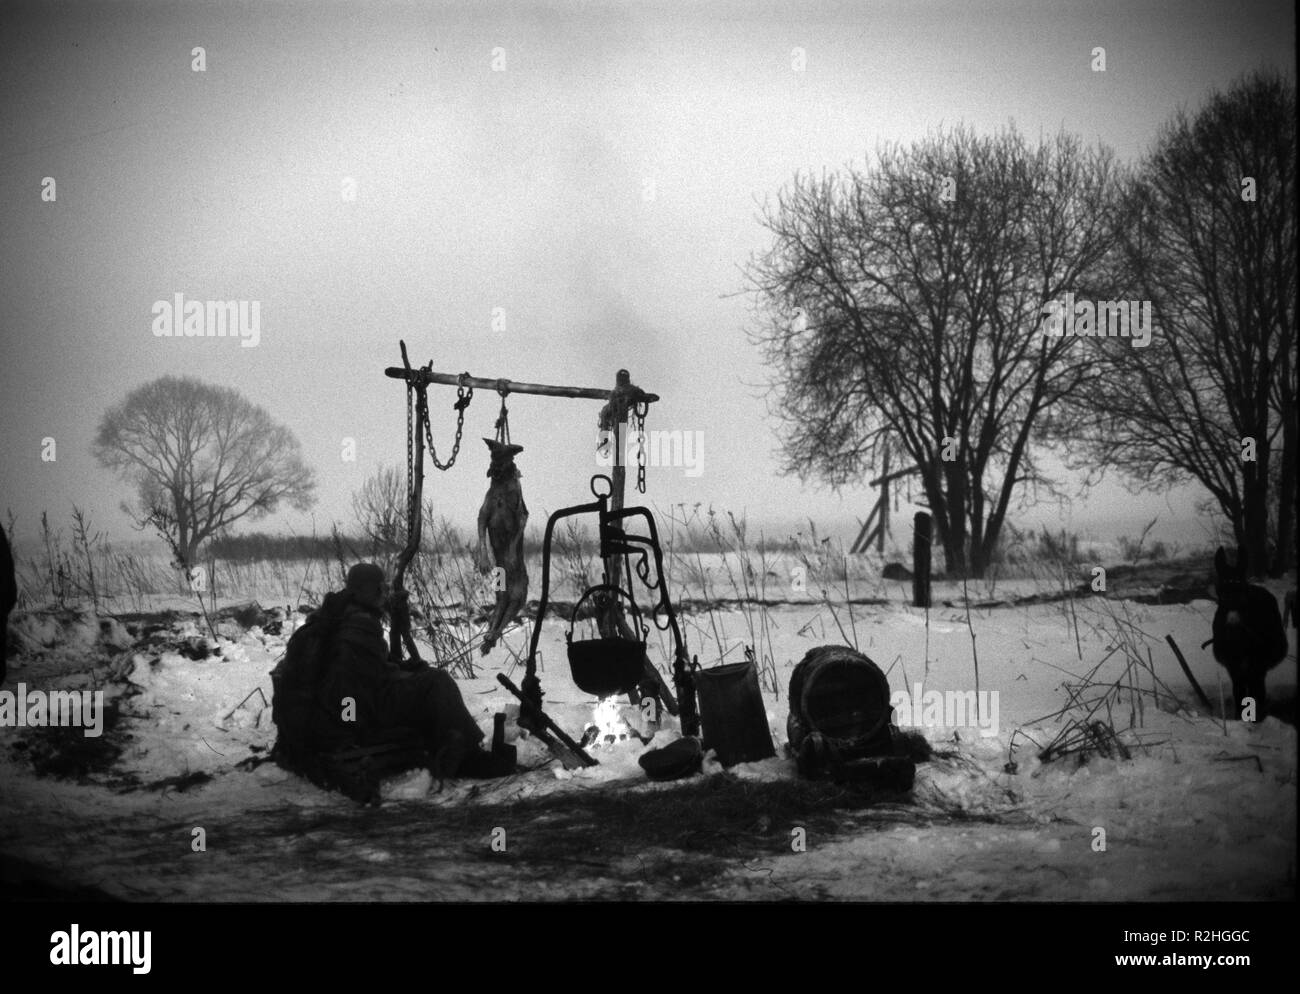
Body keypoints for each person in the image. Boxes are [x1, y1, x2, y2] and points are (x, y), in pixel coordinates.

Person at [315, 562, 506, 781]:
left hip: (349, 705)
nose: (384, 594)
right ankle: (471, 755)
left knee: (425, 678)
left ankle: (454, 744)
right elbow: (372, 678)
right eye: (381, 589)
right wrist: (409, 675)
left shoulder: (337, 614)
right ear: (374, 590)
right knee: (438, 682)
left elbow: (370, 667)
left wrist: (404, 668)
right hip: (361, 709)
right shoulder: (359, 624)